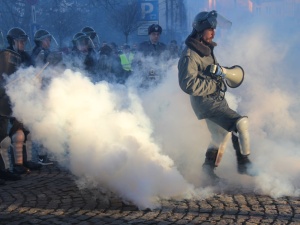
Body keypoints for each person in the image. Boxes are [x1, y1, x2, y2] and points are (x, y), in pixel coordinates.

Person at [178, 10, 254, 181]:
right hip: (205, 102)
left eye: (214, 28)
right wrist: (213, 83)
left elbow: (209, 73)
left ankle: (208, 170)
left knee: (219, 135)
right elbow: (187, 84)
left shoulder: (205, 49)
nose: (214, 32)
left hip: (214, 99)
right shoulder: (190, 55)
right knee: (240, 124)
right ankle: (245, 164)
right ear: (200, 29)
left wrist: (221, 73)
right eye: (210, 28)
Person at [0, 27, 41, 177]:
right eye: (20, 41)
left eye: (24, 41)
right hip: (6, 99)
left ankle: (22, 162)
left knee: (24, 134)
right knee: (6, 139)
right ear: (13, 41)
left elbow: (32, 72)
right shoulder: (6, 56)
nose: (23, 44)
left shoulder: (25, 57)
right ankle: (9, 168)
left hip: (21, 97)